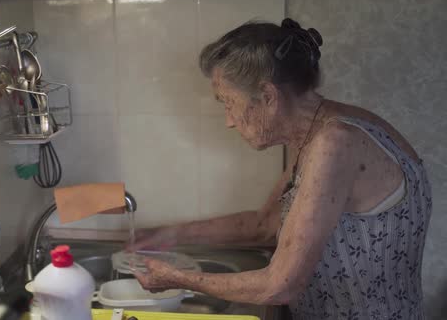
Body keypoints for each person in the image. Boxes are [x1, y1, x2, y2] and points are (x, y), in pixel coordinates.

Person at [129, 18, 432, 320]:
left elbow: (280, 285)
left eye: (228, 102)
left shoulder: (334, 143)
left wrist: (177, 279)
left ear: (268, 97)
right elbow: (264, 225)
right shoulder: (321, 132)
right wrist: (168, 234)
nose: (229, 121)